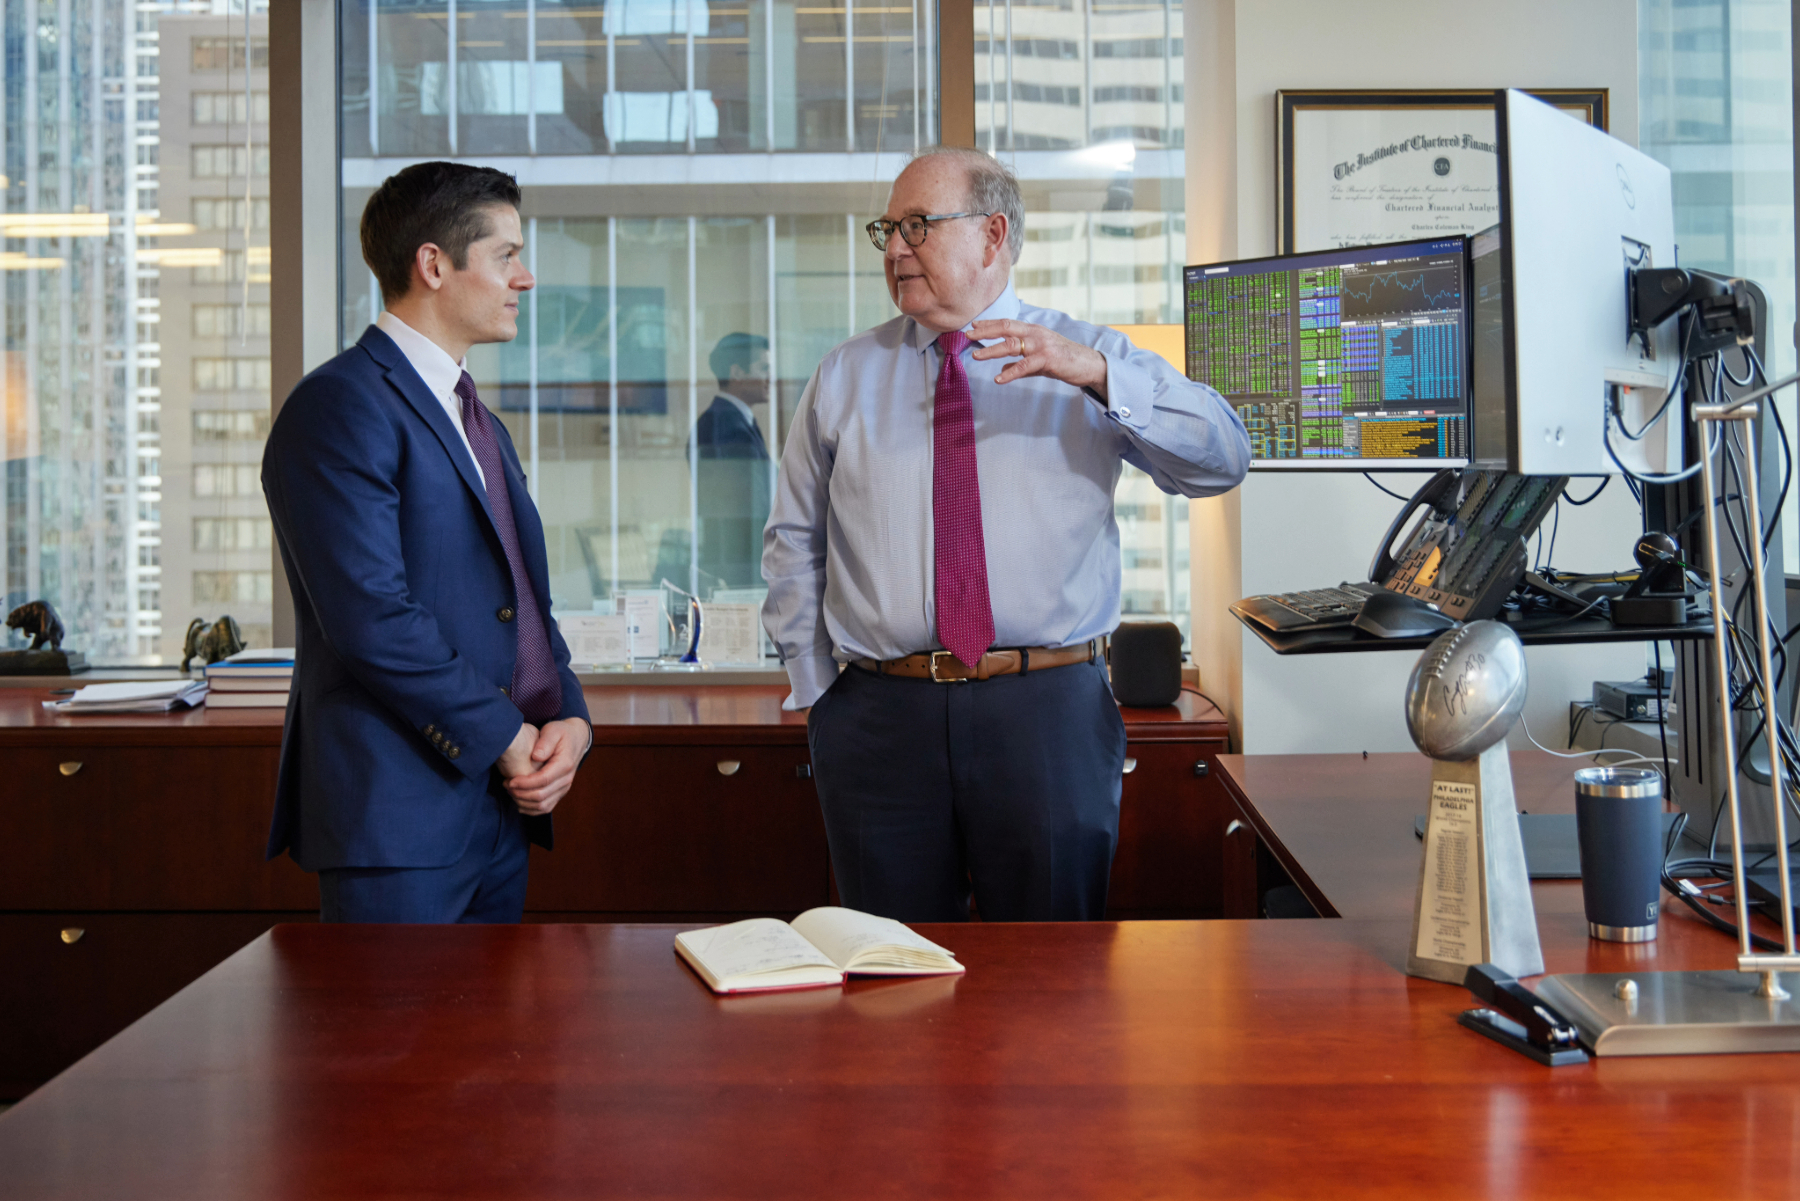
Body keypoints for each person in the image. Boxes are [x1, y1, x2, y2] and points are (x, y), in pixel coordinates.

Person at [762, 146, 1250, 923]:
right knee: (892, 983)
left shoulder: (1086, 357)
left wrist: (1095, 375)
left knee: (1053, 984)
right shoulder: (844, 374)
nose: (894, 249)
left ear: (993, 237)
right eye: (887, 229)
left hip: (1046, 710)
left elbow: (1224, 456)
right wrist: (821, 693)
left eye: (918, 226)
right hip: (880, 717)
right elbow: (793, 538)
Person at [261, 162, 593, 924]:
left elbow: (519, 601)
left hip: (497, 805)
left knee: (488, 1041)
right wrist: (505, 736)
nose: (526, 277)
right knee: (396, 1040)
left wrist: (569, 719)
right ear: (434, 264)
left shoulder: (474, 417)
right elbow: (372, 618)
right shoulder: (339, 406)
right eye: (506, 255)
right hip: (399, 819)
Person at [692, 333, 773, 592]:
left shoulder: (734, 421)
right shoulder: (727, 427)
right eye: (763, 368)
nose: (770, 379)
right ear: (737, 372)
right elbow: (753, 508)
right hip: (742, 570)